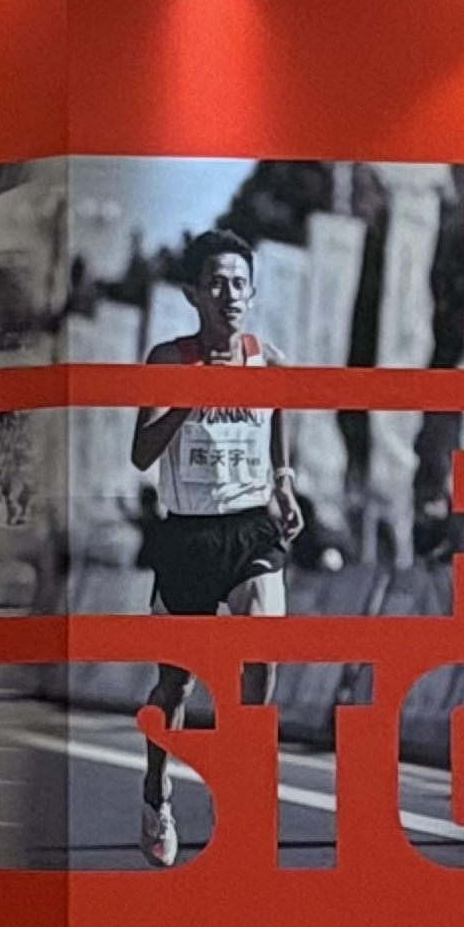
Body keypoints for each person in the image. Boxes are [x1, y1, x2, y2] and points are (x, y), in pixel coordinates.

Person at [129, 229, 302, 867]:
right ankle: (157, 791)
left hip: (250, 526)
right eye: (217, 284)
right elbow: (141, 454)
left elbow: (279, 414)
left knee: (261, 646)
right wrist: (189, 400)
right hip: (187, 534)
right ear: (193, 295)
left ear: (252, 294)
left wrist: (283, 480)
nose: (230, 295)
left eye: (239, 284)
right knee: (175, 686)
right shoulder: (167, 361)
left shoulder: (269, 362)